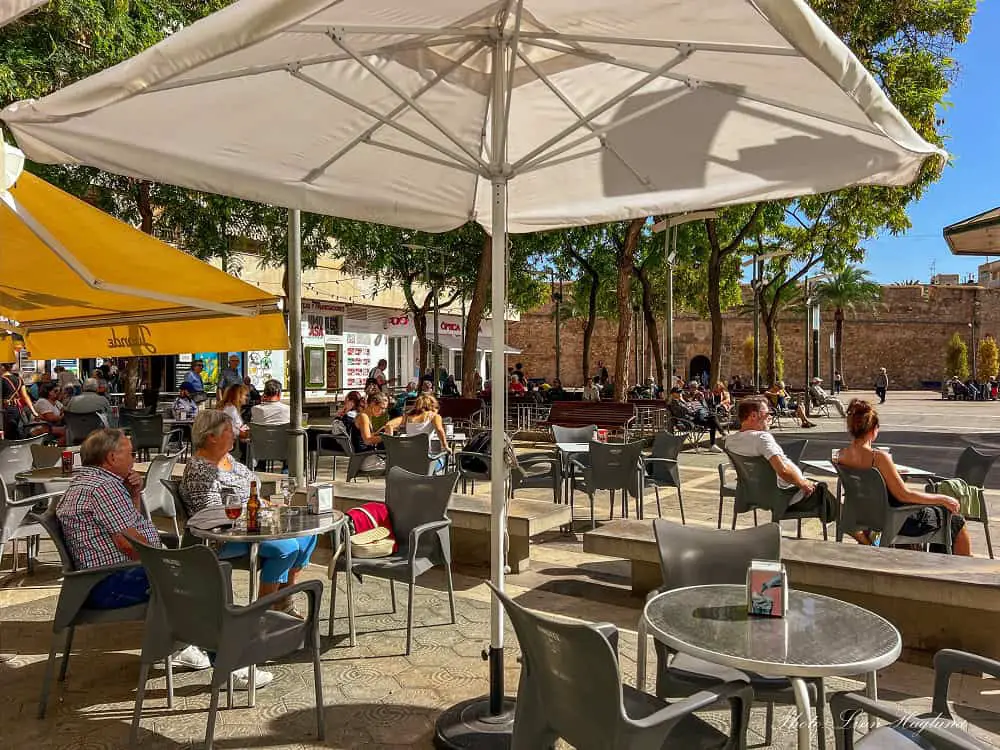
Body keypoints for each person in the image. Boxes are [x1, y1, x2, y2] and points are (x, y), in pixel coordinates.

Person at [56, 429, 210, 670]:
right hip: (109, 583)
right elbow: (133, 546)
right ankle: (225, 660)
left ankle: (186, 643)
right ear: (111, 458)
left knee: (201, 574)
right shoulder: (103, 488)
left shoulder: (91, 482)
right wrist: (170, 563)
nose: (135, 459)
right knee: (204, 577)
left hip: (101, 579)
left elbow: (130, 526)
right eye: (131, 454)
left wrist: (134, 494)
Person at [180, 411, 318, 641]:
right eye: (228, 430)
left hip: (252, 525)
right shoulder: (200, 469)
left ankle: (283, 602)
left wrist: (263, 505)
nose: (234, 433)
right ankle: (260, 617)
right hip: (222, 539)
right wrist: (255, 512)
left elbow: (251, 485)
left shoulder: (227, 459)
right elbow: (213, 515)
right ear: (211, 436)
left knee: (307, 537)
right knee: (286, 548)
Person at [835, 399, 971, 555]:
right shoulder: (879, 458)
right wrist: (942, 499)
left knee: (941, 514)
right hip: (897, 518)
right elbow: (904, 495)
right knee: (956, 520)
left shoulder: (841, 455)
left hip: (869, 517)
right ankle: (963, 569)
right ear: (873, 429)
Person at [725, 396, 836, 523]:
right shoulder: (762, 438)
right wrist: (803, 484)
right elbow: (782, 470)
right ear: (753, 416)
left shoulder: (730, 441)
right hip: (785, 496)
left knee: (830, 503)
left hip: (755, 493)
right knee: (827, 499)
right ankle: (857, 533)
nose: (770, 417)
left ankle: (856, 531)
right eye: (767, 413)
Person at [385, 392, 450, 470]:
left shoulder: (407, 417)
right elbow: (439, 430)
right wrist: (445, 446)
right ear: (434, 406)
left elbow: (389, 425)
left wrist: (391, 446)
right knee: (444, 459)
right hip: (426, 463)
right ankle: (433, 481)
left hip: (408, 462)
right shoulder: (434, 416)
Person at [668, 388, 725, 452]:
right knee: (711, 417)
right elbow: (687, 411)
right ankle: (720, 436)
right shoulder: (674, 403)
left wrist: (689, 406)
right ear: (673, 394)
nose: (680, 394)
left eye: (680, 392)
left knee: (713, 420)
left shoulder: (679, 401)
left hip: (693, 418)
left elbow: (689, 409)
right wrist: (691, 408)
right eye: (678, 392)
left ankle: (714, 443)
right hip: (689, 422)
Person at [342, 392, 388, 471]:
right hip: (365, 460)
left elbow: (363, 437)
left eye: (385, 409)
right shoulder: (363, 417)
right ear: (373, 403)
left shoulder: (366, 416)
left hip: (366, 458)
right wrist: (387, 436)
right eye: (381, 408)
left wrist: (379, 433)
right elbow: (367, 440)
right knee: (399, 464)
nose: (383, 411)